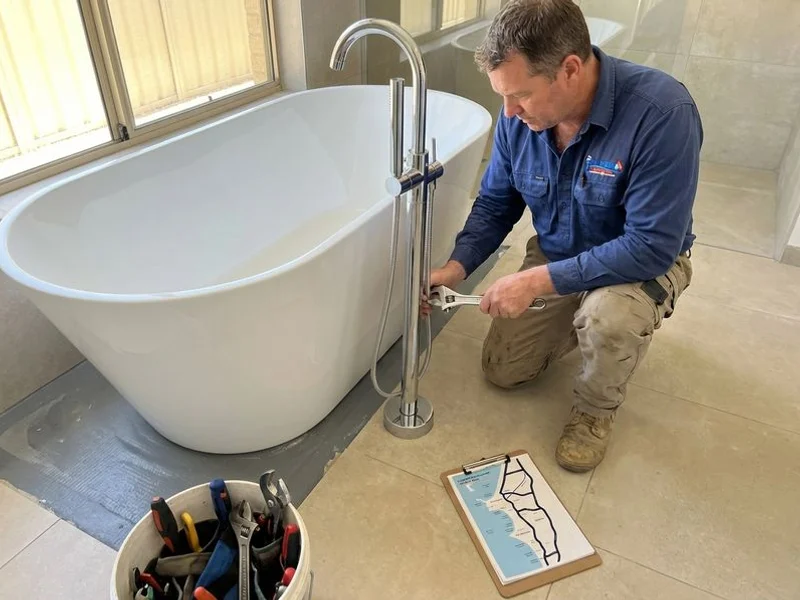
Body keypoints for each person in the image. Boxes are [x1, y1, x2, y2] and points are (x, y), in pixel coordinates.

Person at [425, 0, 703, 472]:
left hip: (640, 266)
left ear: (570, 69)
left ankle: (596, 408)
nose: (509, 113)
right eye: (503, 97)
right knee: (503, 371)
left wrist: (535, 283)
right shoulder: (521, 118)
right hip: (559, 252)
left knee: (609, 320)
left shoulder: (662, 113)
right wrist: (456, 267)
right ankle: (579, 319)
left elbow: (652, 244)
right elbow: (496, 203)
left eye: (521, 96)